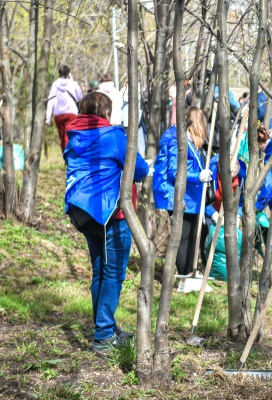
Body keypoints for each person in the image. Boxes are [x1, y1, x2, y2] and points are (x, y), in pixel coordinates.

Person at [63, 92, 149, 353]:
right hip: (112, 213)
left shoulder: (73, 136)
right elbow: (141, 170)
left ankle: (106, 327)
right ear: (106, 113)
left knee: (100, 270)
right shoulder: (113, 136)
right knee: (113, 273)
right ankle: (103, 336)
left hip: (82, 213)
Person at [153, 106, 213, 292]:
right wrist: (199, 176)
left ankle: (191, 274)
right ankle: (185, 279)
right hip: (178, 195)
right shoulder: (177, 141)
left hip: (192, 195)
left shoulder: (188, 141)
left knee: (194, 235)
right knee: (183, 237)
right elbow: (175, 171)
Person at [46, 65, 84, 151]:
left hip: (58, 114)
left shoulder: (55, 84)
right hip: (71, 113)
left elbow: (50, 100)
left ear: (59, 73)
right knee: (71, 135)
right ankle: (72, 157)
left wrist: (48, 118)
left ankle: (66, 157)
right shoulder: (73, 83)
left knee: (62, 137)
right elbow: (80, 98)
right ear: (68, 73)